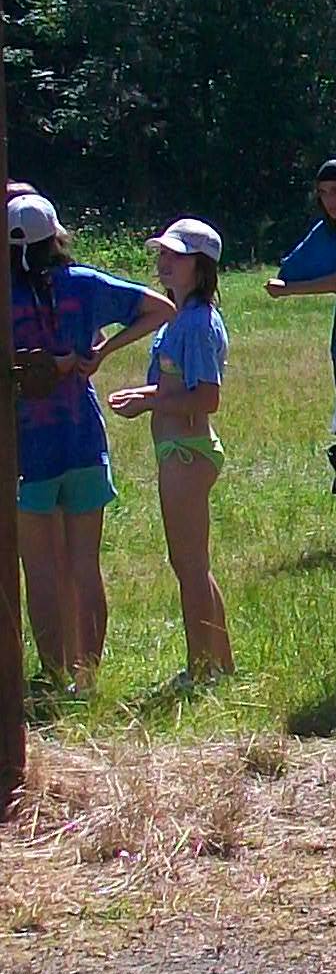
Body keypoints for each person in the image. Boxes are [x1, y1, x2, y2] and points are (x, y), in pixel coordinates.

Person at [7, 191, 173, 689]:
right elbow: (159, 308)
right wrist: (103, 351)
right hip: (83, 437)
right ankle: (89, 678)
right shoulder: (83, 283)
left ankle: (53, 674)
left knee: (40, 570)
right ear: (55, 237)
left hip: (27, 448)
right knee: (85, 565)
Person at [107, 218, 234, 687]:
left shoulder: (197, 323)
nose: (164, 262)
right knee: (192, 565)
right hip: (178, 449)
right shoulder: (177, 319)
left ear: (202, 267)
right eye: (162, 254)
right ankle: (221, 663)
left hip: (187, 450)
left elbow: (207, 397)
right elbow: (174, 385)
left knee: (189, 567)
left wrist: (148, 401)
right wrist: (145, 395)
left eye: (176, 256)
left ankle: (201, 670)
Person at [267, 157, 336, 541]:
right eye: (323, 193)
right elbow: (294, 264)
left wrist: (289, 291)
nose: (330, 200)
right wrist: (285, 281)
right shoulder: (328, 232)